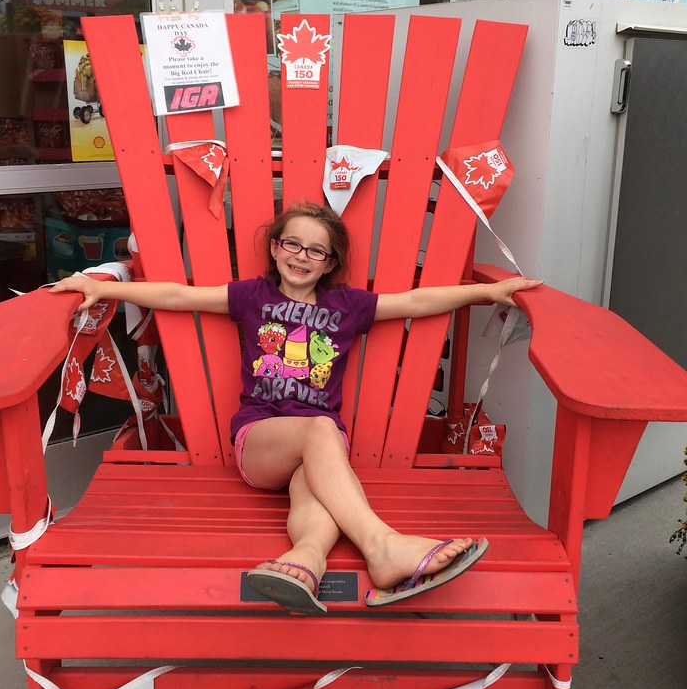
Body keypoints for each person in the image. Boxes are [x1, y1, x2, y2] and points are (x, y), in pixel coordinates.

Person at [50, 201, 541, 615]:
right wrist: (105, 289)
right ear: (274, 248)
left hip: (319, 451)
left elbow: (416, 301)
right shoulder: (252, 296)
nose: (302, 256)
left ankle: (305, 561)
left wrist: (488, 292)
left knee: (316, 478)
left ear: (329, 263)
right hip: (261, 439)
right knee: (320, 430)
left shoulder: (349, 305)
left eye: (316, 250)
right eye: (292, 244)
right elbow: (178, 295)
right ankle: (383, 545)